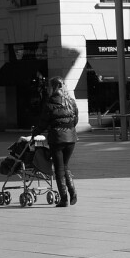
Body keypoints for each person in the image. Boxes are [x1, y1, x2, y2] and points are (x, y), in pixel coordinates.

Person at [35, 76, 79, 206]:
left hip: (57, 139)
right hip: (71, 138)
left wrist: (34, 133)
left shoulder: (49, 103)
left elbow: (43, 123)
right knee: (65, 166)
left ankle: (64, 199)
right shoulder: (71, 101)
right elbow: (75, 120)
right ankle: (73, 192)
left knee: (59, 169)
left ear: (52, 87)